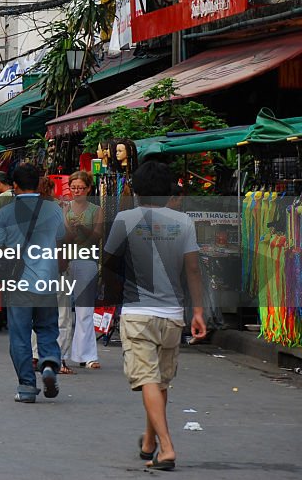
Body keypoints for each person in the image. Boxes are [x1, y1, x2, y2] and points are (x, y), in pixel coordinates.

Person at [103, 161, 206, 471]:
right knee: (159, 380)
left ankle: (167, 447)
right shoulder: (184, 222)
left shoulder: (125, 219)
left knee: (147, 378)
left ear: (135, 190)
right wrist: (198, 311)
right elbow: (192, 269)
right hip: (173, 315)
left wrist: (112, 295)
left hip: (137, 312)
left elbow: (108, 263)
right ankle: (149, 442)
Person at [0, 163, 67, 404]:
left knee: (20, 336)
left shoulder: (7, 213)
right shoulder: (53, 210)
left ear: (15, 186)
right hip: (48, 281)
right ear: (38, 183)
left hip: (18, 283)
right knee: (47, 328)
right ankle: (50, 363)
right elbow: (62, 240)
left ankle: (27, 387)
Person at [64, 170, 104, 370]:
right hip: (65, 260)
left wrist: (82, 228)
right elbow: (62, 234)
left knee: (85, 309)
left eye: (81, 187)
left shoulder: (96, 210)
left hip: (87, 260)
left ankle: (87, 355)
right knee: (62, 310)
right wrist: (71, 230)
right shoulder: (64, 207)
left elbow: (97, 235)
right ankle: (61, 353)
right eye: (73, 188)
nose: (77, 191)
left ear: (88, 188)